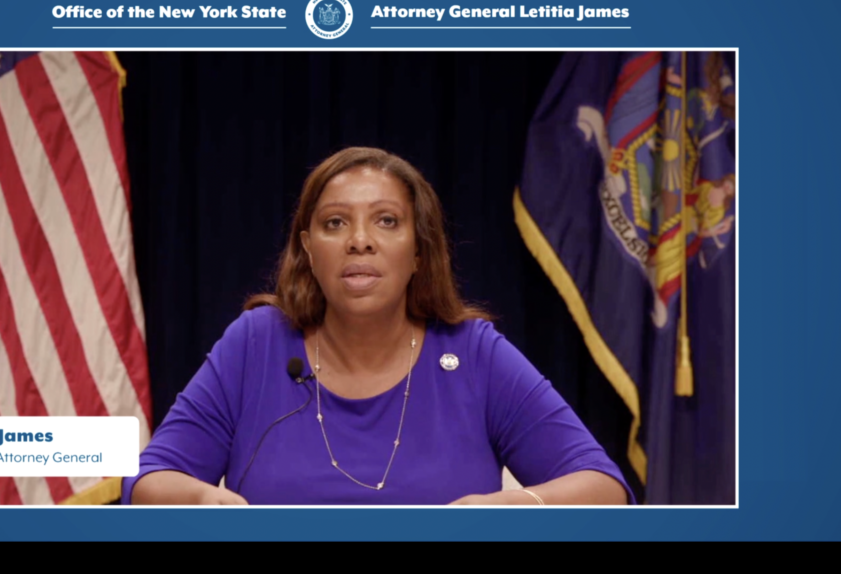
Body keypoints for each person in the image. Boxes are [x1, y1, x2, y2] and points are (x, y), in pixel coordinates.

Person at [123, 147, 634, 505]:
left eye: (386, 221)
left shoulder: (473, 354)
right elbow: (147, 484)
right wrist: (201, 501)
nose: (359, 241)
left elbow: (606, 491)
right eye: (334, 223)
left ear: (419, 251)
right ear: (308, 249)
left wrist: (513, 505)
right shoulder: (255, 343)